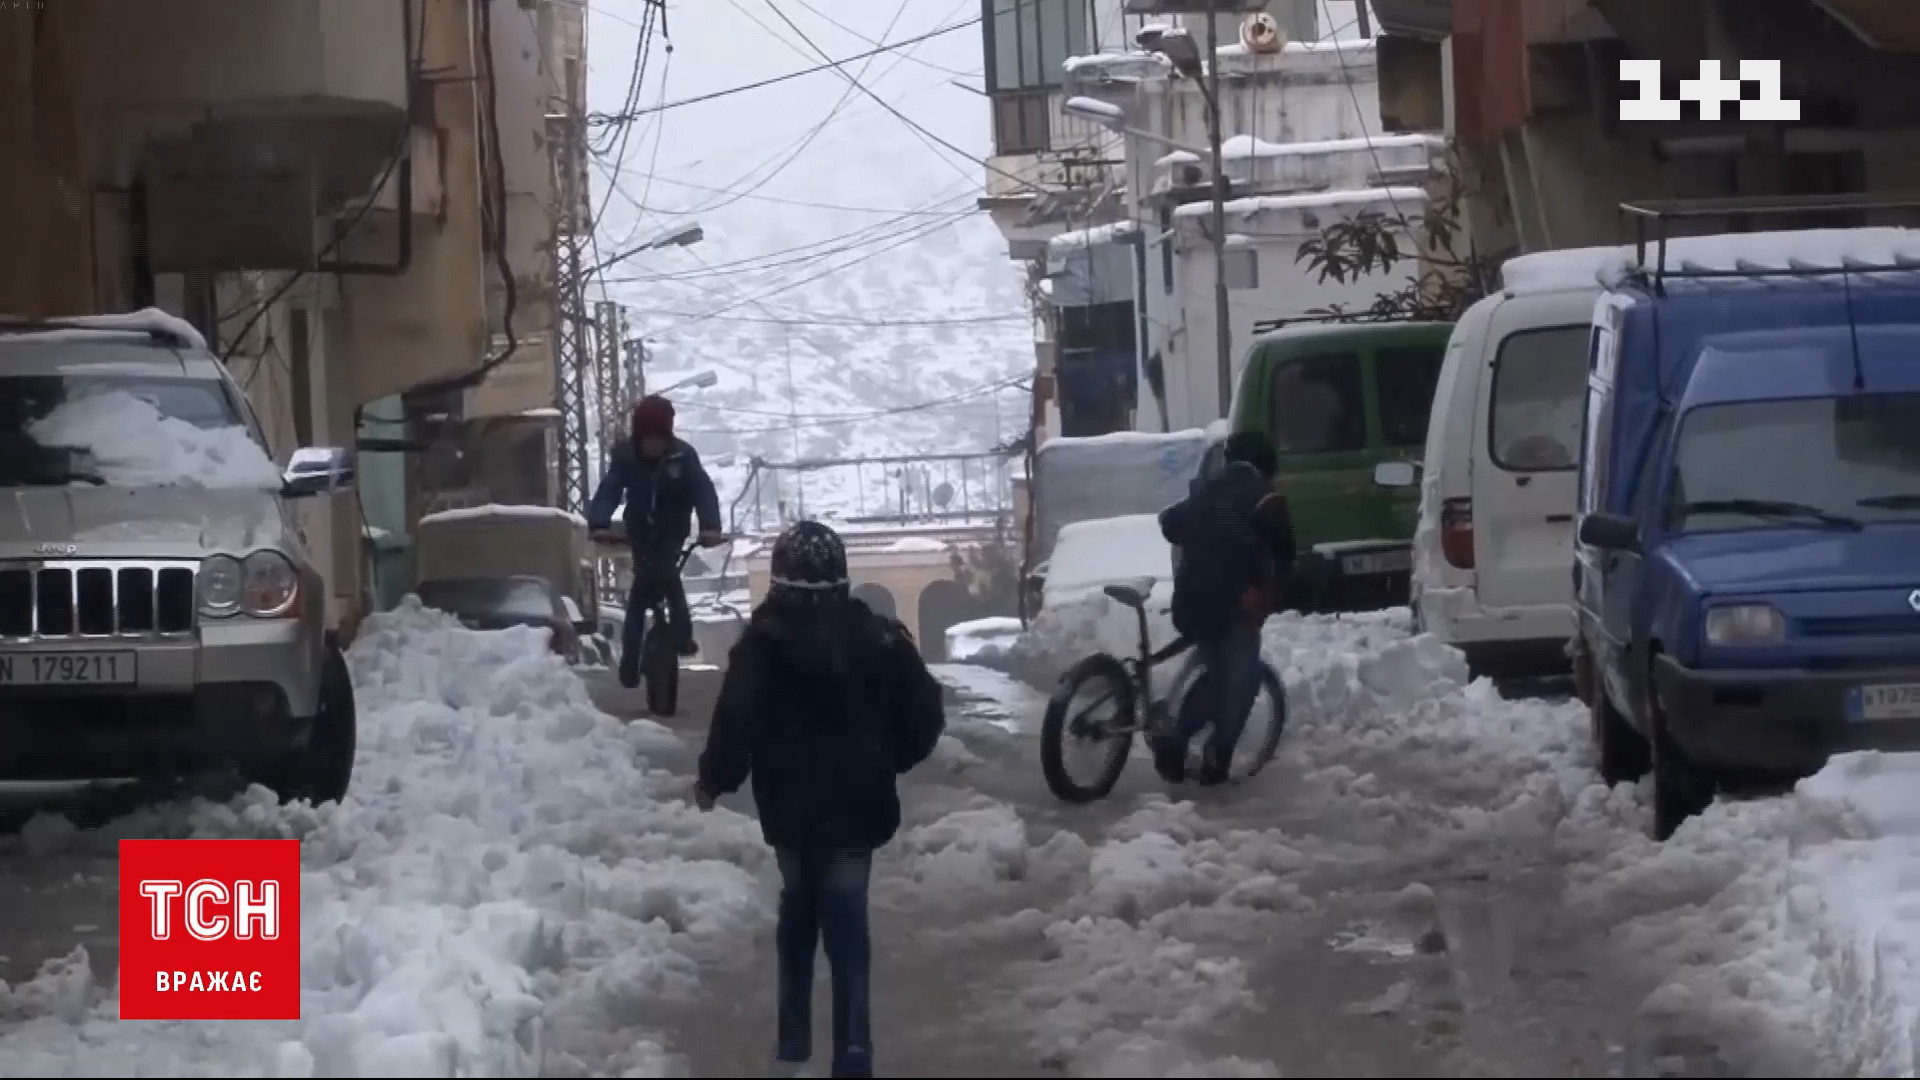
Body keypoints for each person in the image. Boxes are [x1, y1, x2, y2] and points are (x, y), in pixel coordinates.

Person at [692, 520, 945, 1079]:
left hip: (790, 811)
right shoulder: (879, 639)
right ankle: (854, 1047)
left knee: (798, 909)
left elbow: (734, 721)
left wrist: (715, 779)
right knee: (849, 922)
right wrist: (890, 756)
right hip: (859, 810)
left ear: (780, 580)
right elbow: (926, 713)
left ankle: (793, 1034)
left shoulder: (761, 647)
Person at [1154, 430, 1296, 785]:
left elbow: (1169, 524)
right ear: (1265, 467)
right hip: (1236, 605)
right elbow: (1286, 552)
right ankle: (1218, 756)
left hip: (1191, 603)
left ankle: (1177, 737)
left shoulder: (1205, 491)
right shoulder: (1265, 498)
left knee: (1218, 673)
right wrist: (1265, 591)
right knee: (1242, 682)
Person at [585, 394, 724, 686]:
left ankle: (683, 637)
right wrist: (598, 521)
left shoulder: (684, 456)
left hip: (673, 530)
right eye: (648, 438)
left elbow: (703, 491)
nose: (654, 444)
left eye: (660, 437)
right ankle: (630, 659)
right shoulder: (625, 457)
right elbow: (610, 490)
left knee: (667, 575)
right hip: (639, 532)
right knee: (641, 593)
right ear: (639, 436)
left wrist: (710, 526)